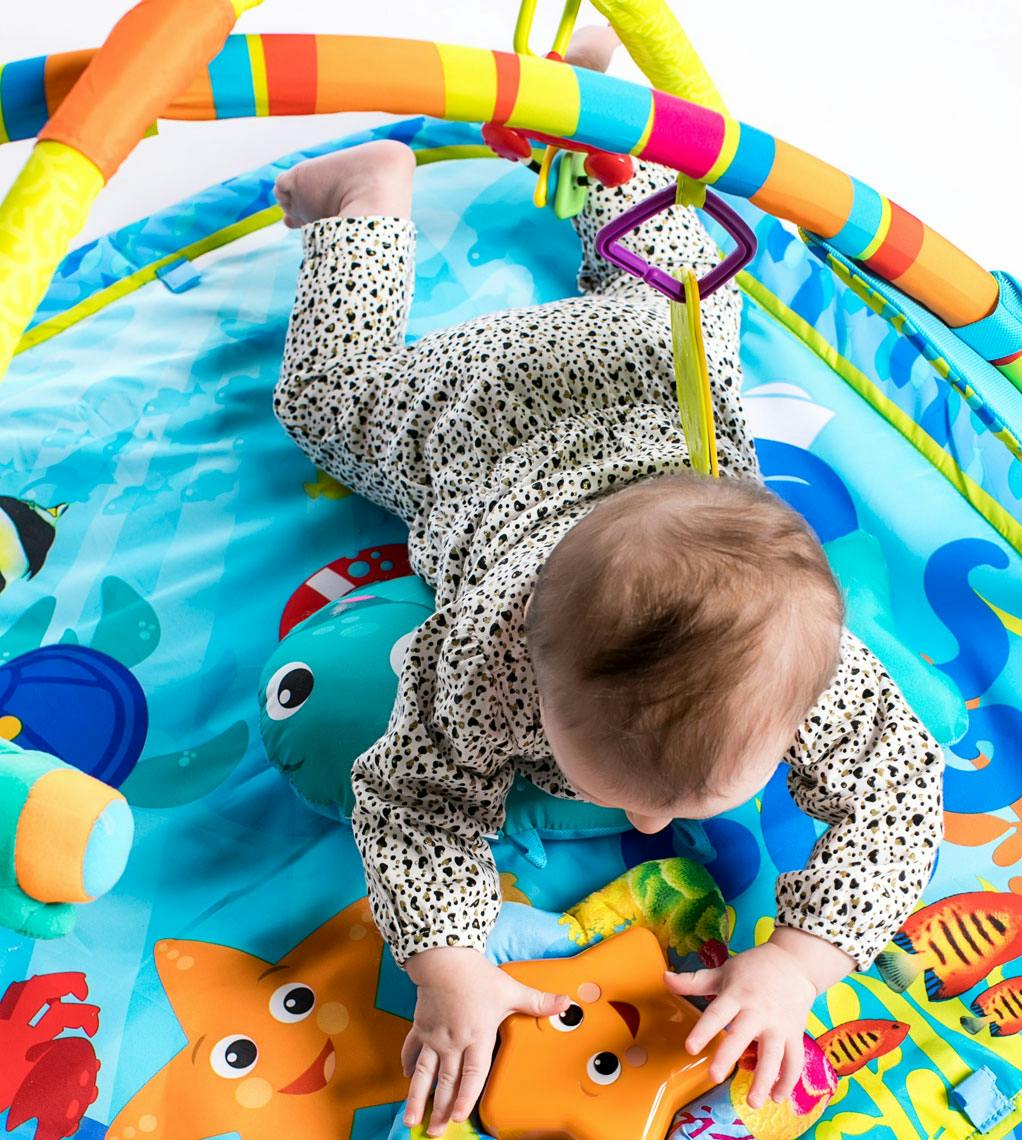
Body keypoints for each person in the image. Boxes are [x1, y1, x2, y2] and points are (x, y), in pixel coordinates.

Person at [272, 25, 943, 1137]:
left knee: (688, 306)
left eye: (674, 801)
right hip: (478, 411)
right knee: (330, 405)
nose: (636, 819)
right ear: (522, 656)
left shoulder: (805, 668)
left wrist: (799, 965)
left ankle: (602, 126)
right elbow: (410, 801)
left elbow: (897, 794)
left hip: (643, 367)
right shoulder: (484, 656)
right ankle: (363, 205)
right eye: (622, 782)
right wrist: (447, 961)